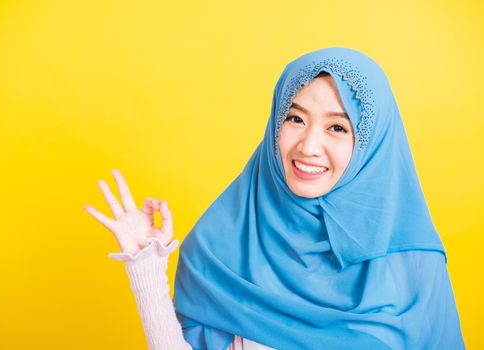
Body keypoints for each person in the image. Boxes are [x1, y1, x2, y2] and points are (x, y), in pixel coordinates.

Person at [84, 47, 465, 349]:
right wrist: (146, 270)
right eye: (295, 119)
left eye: (336, 127)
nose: (309, 146)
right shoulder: (218, 250)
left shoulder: (415, 268)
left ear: (370, 145)